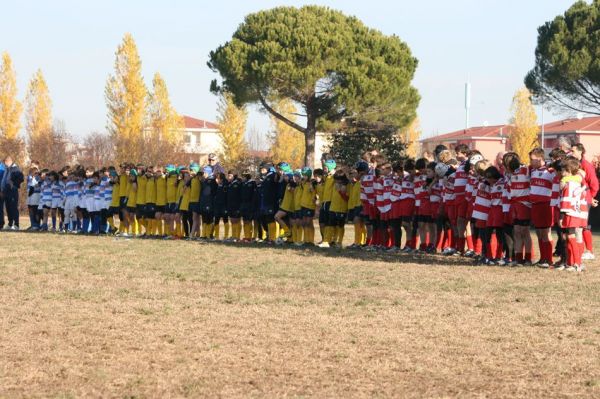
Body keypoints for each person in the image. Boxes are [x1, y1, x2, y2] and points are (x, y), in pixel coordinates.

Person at [559, 157, 588, 271]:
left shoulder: (568, 184)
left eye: (563, 170)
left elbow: (565, 201)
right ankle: (574, 263)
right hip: (578, 212)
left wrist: (562, 217)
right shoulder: (578, 183)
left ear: (569, 171)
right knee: (572, 237)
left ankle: (577, 263)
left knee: (571, 237)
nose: (561, 173)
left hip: (570, 213)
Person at [570, 143, 599, 260]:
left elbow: (594, 184)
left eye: (573, 151)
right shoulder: (572, 164)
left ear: (580, 152)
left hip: (584, 200)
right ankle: (579, 251)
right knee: (578, 226)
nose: (571, 153)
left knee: (584, 225)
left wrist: (590, 198)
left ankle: (589, 251)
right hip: (575, 199)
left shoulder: (586, 165)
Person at [1, 156, 24, 229]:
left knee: (13, 207)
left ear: (8, 161)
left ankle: (16, 224)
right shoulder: (7, 169)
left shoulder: (15, 168)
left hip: (12, 191)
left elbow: (21, 178)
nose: (4, 164)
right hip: (6, 190)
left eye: (5, 163)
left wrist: (14, 184)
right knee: (8, 207)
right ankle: (10, 223)